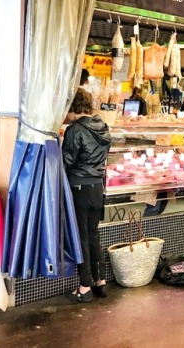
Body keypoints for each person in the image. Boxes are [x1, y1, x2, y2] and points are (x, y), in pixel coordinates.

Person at [62, 87, 111, 303]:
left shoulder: (75, 130)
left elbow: (67, 162)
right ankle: (100, 282)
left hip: (79, 188)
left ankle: (84, 287)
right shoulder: (103, 126)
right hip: (97, 188)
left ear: (72, 107)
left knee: (80, 236)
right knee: (93, 235)